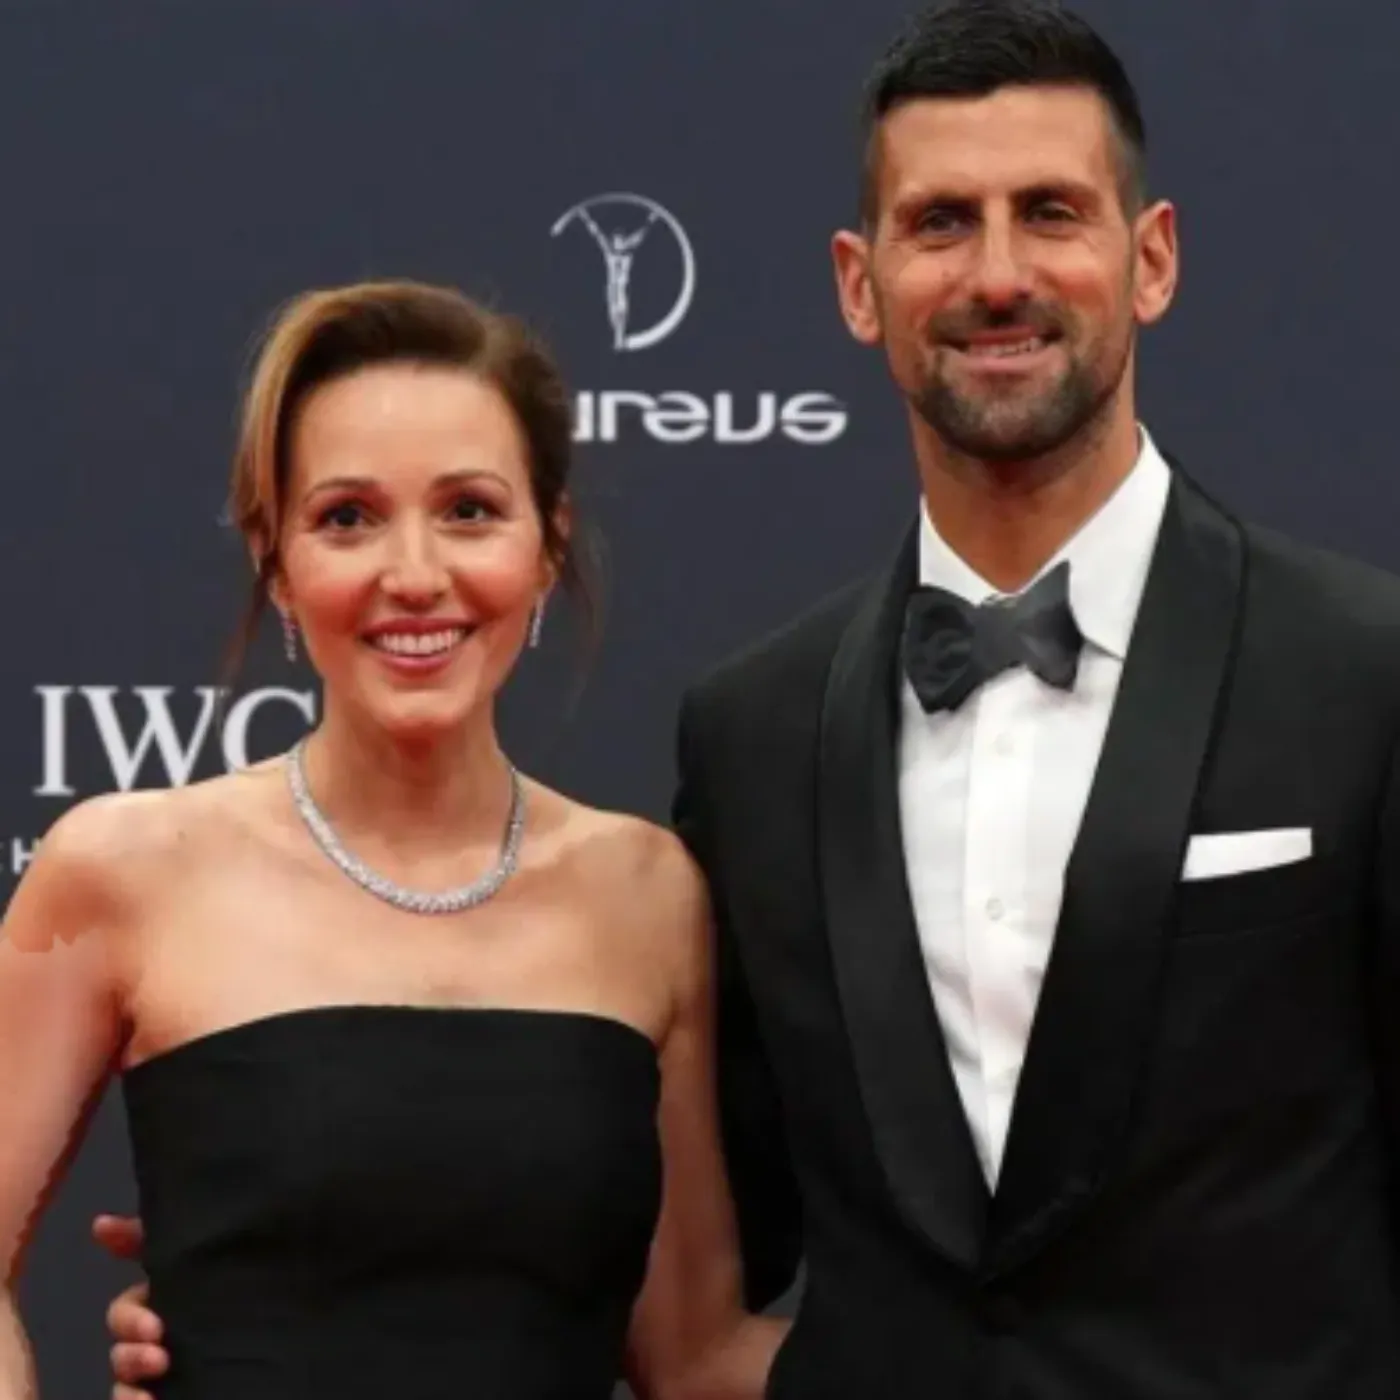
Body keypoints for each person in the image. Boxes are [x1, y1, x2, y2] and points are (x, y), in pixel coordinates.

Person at [105, 1, 1400, 1397]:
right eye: (940, 223)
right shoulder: (757, 735)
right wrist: (279, 1295)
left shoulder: (1362, 673)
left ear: (1151, 259)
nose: (997, 274)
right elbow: (646, 1248)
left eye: (1051, 213)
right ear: (859, 284)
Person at [0, 279, 783, 1399]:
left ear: (548, 545)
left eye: (469, 510)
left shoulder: (646, 891)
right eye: (346, 518)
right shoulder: (121, 870)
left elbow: (692, 1354)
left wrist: (1009, 1352)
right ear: (275, 561)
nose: (414, 576)